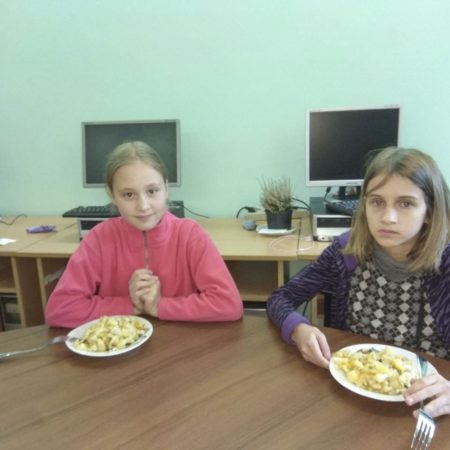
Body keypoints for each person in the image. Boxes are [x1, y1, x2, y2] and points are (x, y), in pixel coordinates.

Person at [267, 147, 450, 418]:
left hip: (425, 408)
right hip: (353, 399)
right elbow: (280, 299)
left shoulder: (445, 263)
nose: (388, 217)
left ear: (430, 212)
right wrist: (298, 329)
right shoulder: (346, 252)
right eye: (377, 202)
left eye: (405, 204)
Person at [46, 141, 243, 327]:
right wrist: (131, 305)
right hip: (120, 348)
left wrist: (159, 306)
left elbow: (228, 304)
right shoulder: (99, 239)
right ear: (112, 195)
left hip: (181, 342)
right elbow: (60, 310)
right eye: (129, 195)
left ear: (166, 188)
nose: (143, 206)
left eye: (152, 191)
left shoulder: (190, 235)